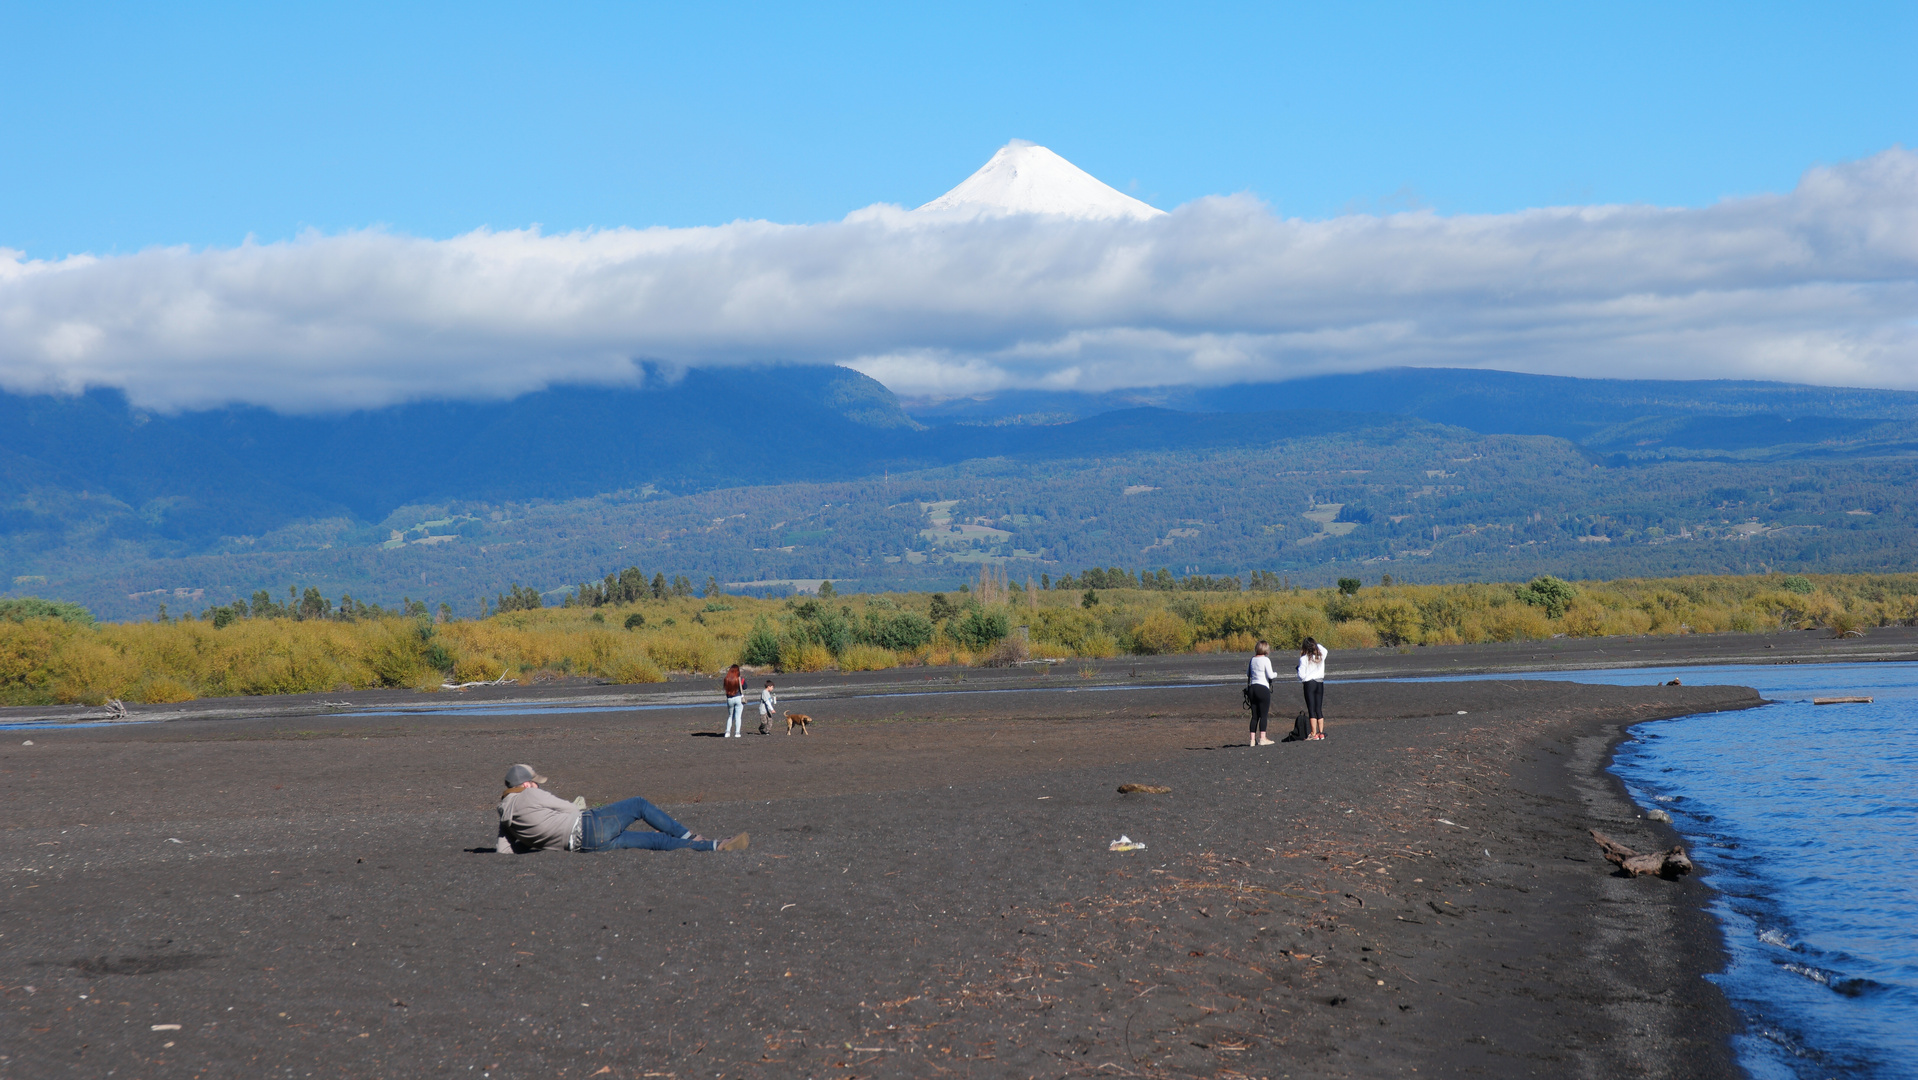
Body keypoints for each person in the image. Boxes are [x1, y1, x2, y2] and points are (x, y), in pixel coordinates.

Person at [494, 764, 747, 853]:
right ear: (525, 783)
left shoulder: (505, 817)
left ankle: (714, 847)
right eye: (534, 782)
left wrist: (538, 838)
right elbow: (571, 811)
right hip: (588, 825)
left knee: (654, 842)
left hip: (583, 847)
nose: (537, 786)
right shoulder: (529, 795)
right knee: (638, 804)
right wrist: (575, 805)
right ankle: (693, 838)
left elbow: (504, 850)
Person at [1245, 640, 1276, 747]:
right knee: (1263, 715)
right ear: (1265, 649)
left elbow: (1248, 673)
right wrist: (1276, 674)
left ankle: (1252, 740)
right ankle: (1263, 738)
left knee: (1254, 716)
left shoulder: (1252, 660)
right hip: (1262, 688)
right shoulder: (1266, 660)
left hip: (1252, 688)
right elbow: (1271, 675)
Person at [1298, 637, 1329, 740]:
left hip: (1309, 683)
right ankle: (1321, 732)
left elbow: (1301, 675)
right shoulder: (1320, 655)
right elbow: (1325, 650)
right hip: (1320, 682)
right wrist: (1316, 645)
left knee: (1311, 709)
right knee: (1318, 708)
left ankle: (1313, 733)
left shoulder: (1304, 658)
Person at [721, 663, 746, 737]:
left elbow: (725, 688)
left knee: (730, 716)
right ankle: (737, 733)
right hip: (738, 698)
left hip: (729, 699)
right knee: (738, 717)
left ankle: (727, 732)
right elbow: (745, 687)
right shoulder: (740, 678)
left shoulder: (726, 679)